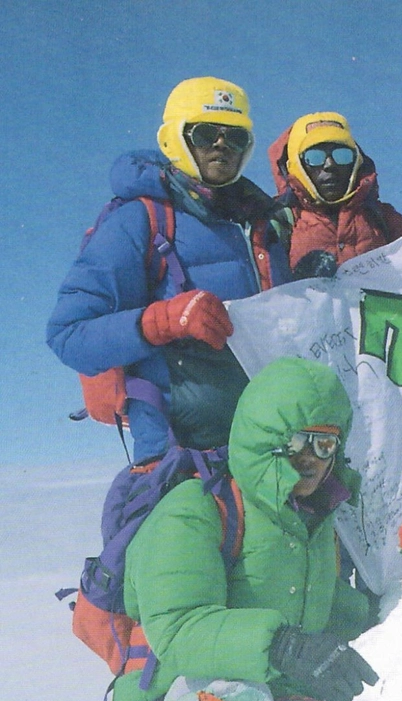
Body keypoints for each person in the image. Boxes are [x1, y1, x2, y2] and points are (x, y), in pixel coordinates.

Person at [111, 356, 379, 701]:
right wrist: (281, 643)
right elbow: (178, 628)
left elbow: (332, 614)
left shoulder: (313, 523)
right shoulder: (195, 509)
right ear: (265, 438)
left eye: (326, 444)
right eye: (299, 442)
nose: (313, 459)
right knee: (238, 694)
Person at [47, 77, 292, 464]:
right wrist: (162, 321)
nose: (221, 144)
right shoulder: (140, 220)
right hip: (179, 457)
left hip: (270, 448)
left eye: (236, 137)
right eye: (206, 133)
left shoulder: (263, 225)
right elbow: (69, 335)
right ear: (174, 139)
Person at [268, 111, 402, 279]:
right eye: (315, 157)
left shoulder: (383, 218)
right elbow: (259, 286)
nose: (330, 165)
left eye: (342, 155)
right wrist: (298, 282)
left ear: (356, 162)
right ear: (296, 165)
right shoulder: (276, 221)